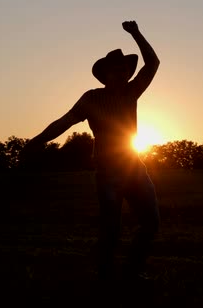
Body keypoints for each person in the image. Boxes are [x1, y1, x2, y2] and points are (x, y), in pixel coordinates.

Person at [22, 20, 160, 283]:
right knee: (111, 229)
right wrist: (36, 141)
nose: (121, 75)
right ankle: (105, 276)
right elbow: (64, 122)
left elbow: (153, 64)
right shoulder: (92, 99)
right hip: (108, 172)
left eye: (124, 71)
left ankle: (132, 272)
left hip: (135, 168)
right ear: (105, 76)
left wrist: (136, 34)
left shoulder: (132, 92)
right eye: (115, 71)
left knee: (151, 222)